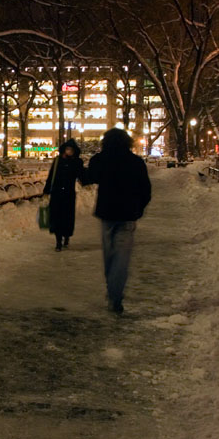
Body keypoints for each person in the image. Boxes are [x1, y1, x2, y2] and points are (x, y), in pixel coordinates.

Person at [86, 128, 151, 314]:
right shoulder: (136, 162)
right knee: (122, 258)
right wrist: (139, 208)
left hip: (107, 213)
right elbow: (146, 189)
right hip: (128, 213)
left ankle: (111, 290)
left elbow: (90, 177)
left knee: (110, 255)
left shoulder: (100, 160)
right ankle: (116, 295)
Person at [43, 139, 84, 252]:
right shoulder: (57, 161)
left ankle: (66, 237)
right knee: (56, 217)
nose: (69, 151)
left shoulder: (77, 162)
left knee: (67, 217)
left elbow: (82, 176)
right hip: (57, 193)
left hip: (68, 194)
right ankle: (58, 242)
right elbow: (51, 176)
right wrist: (46, 190)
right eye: (67, 149)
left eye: (71, 149)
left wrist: (87, 182)